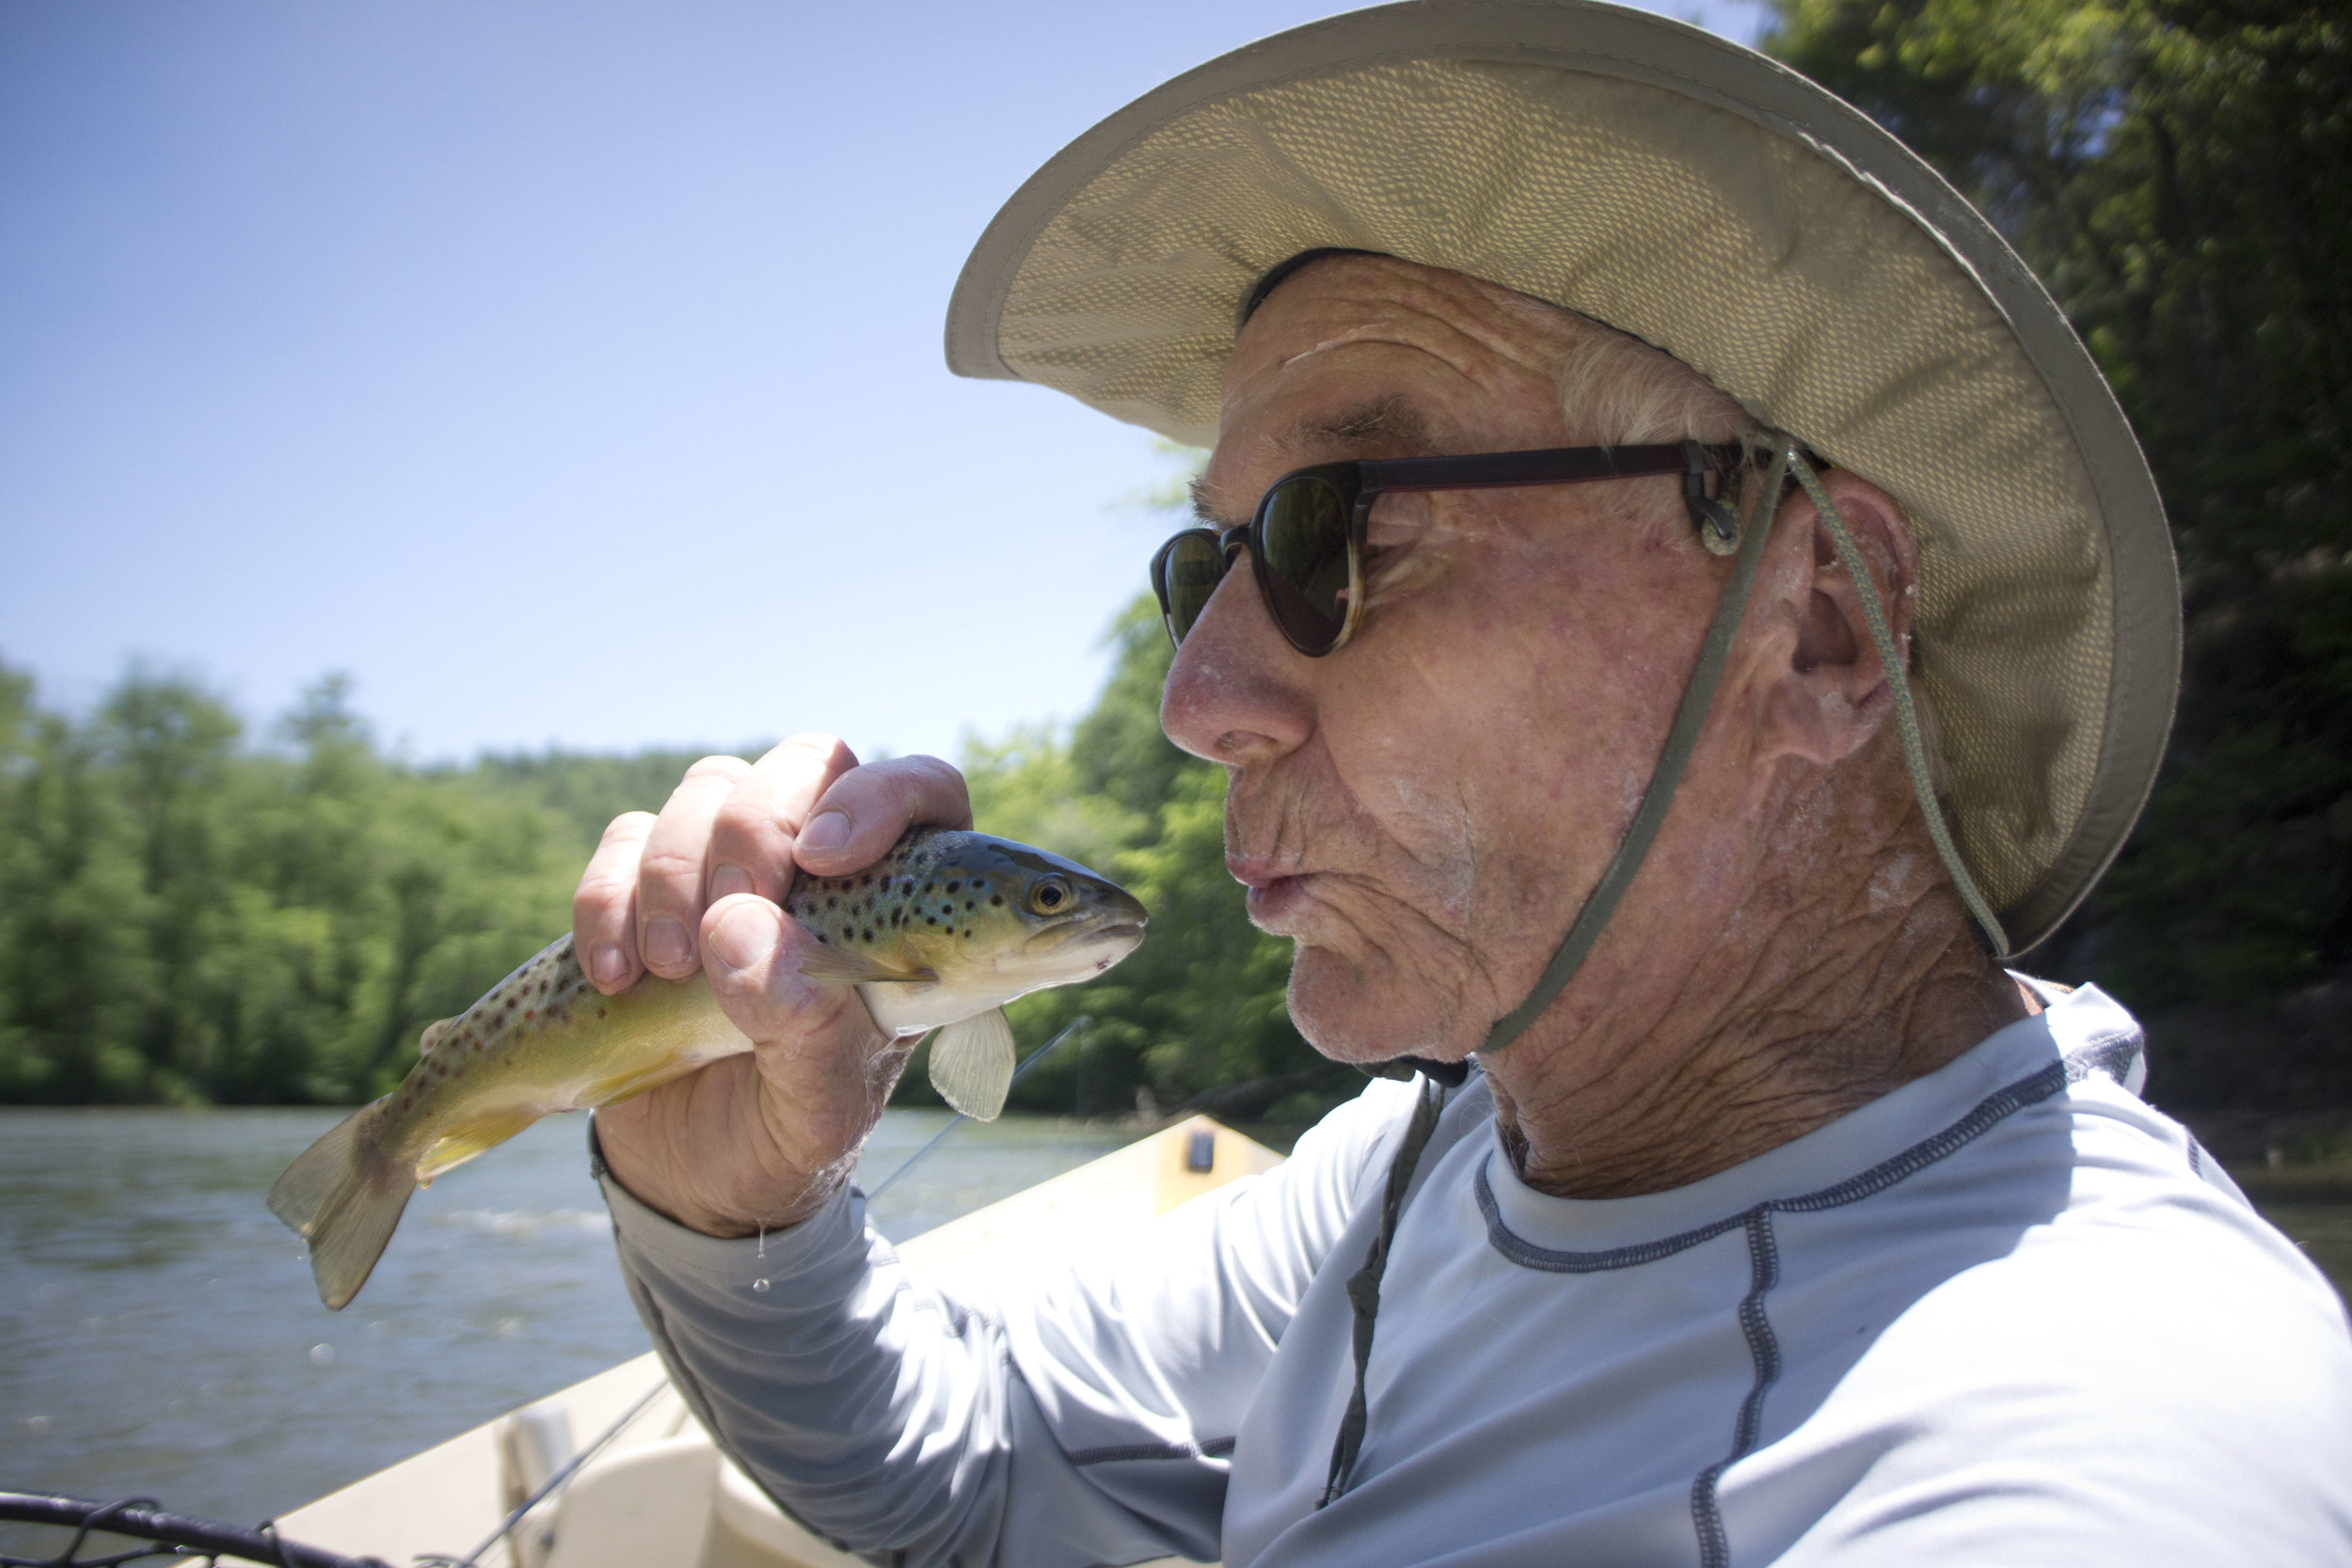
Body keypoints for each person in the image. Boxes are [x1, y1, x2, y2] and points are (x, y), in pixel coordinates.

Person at [571, 4, 2352, 1563]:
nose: (1203, 704)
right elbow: (955, 1476)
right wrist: (734, 1206)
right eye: (1207, 570)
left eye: (1341, 530)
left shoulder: (2084, 1452)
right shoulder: (1414, 1172)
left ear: (1814, 627)